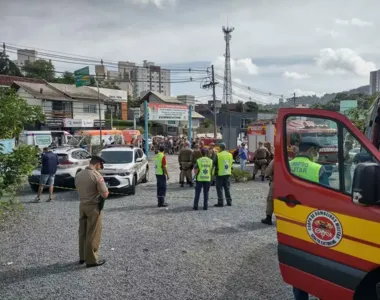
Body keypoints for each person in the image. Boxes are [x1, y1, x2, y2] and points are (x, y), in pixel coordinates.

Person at [75, 156, 109, 268]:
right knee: (93, 232)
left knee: (82, 232)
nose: (100, 168)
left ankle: (82, 257)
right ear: (98, 164)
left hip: (82, 205)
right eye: (100, 165)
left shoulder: (79, 174)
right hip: (93, 207)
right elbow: (105, 194)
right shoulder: (96, 175)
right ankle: (92, 260)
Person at [214, 143, 233, 207]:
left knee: (219, 189)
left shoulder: (218, 155)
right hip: (227, 173)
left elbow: (214, 163)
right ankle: (229, 202)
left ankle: (220, 202)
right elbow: (231, 163)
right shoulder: (230, 154)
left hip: (220, 173)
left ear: (220, 148)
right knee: (227, 188)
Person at [261, 159, 274, 225]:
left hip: (276, 183)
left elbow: (268, 172)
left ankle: (268, 218)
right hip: (287, 184)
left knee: (270, 200)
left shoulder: (276, 160)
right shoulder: (291, 159)